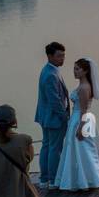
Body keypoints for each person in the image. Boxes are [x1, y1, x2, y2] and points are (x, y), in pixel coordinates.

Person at [55, 57, 99, 191]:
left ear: (85, 71)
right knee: (81, 151)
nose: (74, 71)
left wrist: (81, 127)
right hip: (79, 119)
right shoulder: (83, 86)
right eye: (74, 68)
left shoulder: (84, 88)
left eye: (77, 69)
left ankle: (87, 180)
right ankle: (85, 180)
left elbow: (84, 109)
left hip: (81, 119)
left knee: (83, 150)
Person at [34, 42, 71, 189]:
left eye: (63, 56)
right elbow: (54, 100)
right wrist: (64, 116)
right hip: (54, 117)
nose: (62, 59)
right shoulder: (50, 74)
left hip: (45, 116)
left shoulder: (48, 70)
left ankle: (44, 179)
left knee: (47, 146)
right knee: (55, 148)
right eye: (59, 56)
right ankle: (53, 179)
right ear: (50, 56)